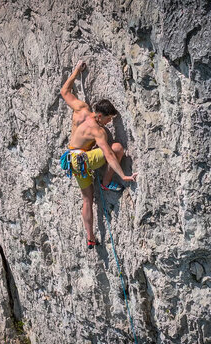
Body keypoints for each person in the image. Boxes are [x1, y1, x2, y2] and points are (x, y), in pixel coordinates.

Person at [59, 60, 138, 249]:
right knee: (118, 147)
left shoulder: (81, 109)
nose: (108, 124)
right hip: (82, 160)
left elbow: (64, 92)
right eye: (108, 120)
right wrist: (123, 175)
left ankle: (90, 237)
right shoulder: (98, 130)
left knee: (87, 199)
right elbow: (110, 154)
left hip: (71, 159)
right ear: (100, 116)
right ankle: (105, 184)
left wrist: (76, 71)